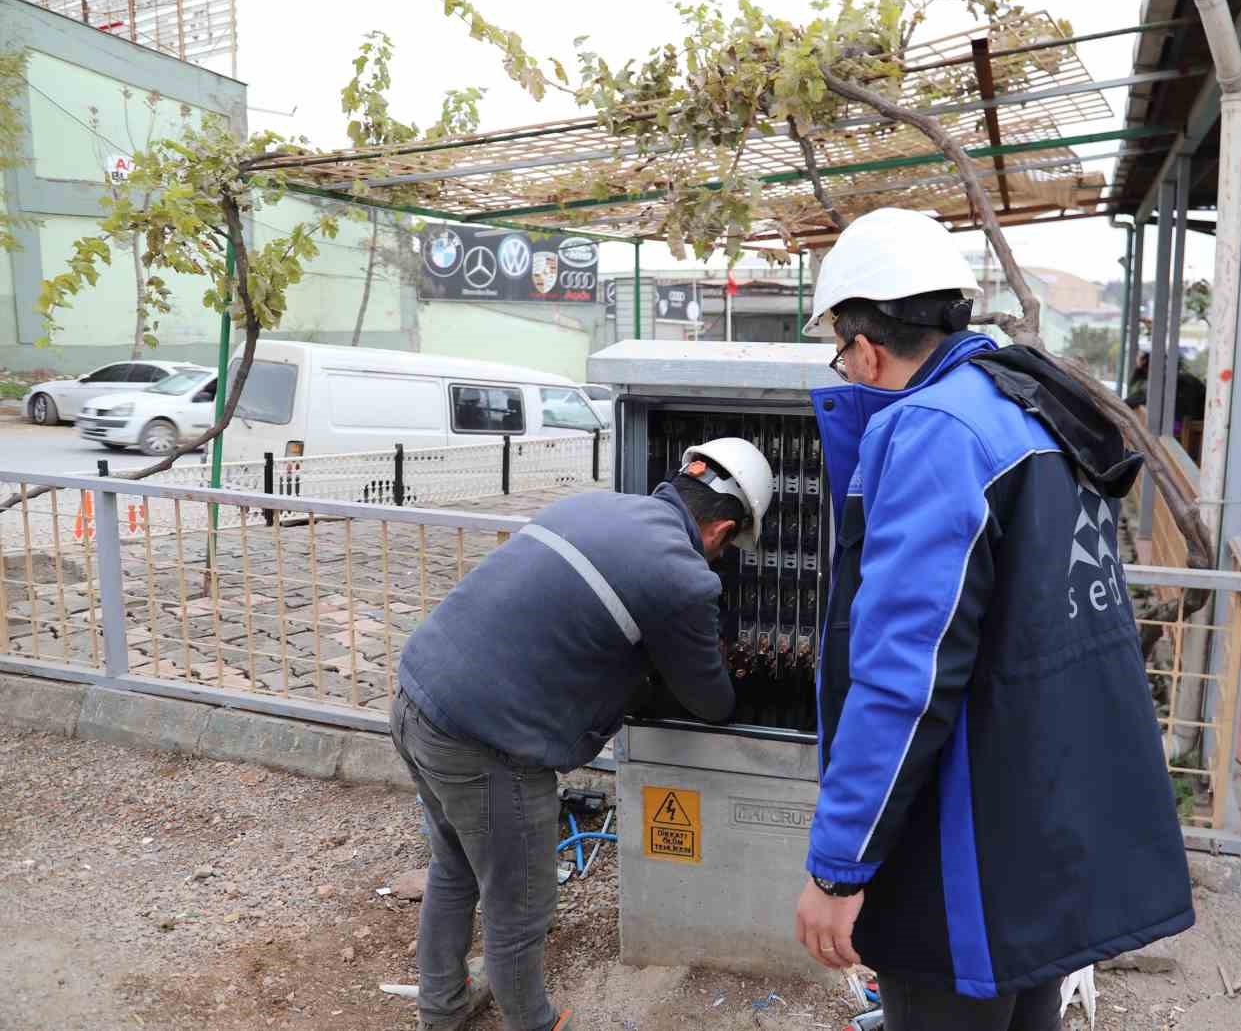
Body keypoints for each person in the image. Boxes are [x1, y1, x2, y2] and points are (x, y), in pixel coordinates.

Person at [794, 208, 1194, 1031]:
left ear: (865, 347)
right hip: (1040, 822)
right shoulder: (1030, 407)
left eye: (841, 352)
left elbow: (905, 675)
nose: (845, 370)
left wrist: (838, 870)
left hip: (963, 847)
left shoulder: (937, 433)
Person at [392, 438, 773, 1031]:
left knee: (455, 866)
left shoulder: (589, 507)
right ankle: (533, 1023)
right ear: (722, 528)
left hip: (416, 696)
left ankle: (442, 1008)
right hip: (485, 745)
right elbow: (711, 701)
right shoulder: (683, 575)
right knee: (521, 905)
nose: (720, 558)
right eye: (726, 547)